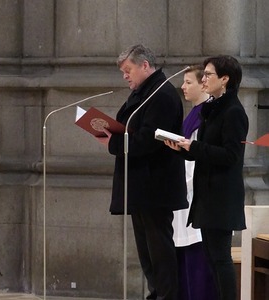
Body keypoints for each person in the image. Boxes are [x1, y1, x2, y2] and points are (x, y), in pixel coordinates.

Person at [97, 44, 188, 300]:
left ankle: (167, 296)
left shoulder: (161, 95)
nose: (125, 76)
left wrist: (112, 142)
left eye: (128, 70)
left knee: (160, 252)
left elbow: (149, 140)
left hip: (155, 187)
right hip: (142, 187)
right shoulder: (145, 93)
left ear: (145, 66)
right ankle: (156, 295)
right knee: (148, 253)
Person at [165, 55, 249, 300]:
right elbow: (205, 151)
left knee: (221, 259)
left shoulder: (233, 111)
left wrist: (194, 147)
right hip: (208, 195)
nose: (204, 79)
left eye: (208, 75)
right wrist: (182, 150)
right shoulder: (214, 109)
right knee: (213, 258)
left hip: (222, 197)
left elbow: (231, 156)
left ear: (225, 79)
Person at [172, 65, 217, 300]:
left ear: (203, 84)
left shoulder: (208, 114)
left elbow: (200, 157)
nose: (183, 87)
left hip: (195, 194)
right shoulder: (193, 113)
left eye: (188, 82)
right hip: (183, 195)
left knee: (198, 261)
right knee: (183, 260)